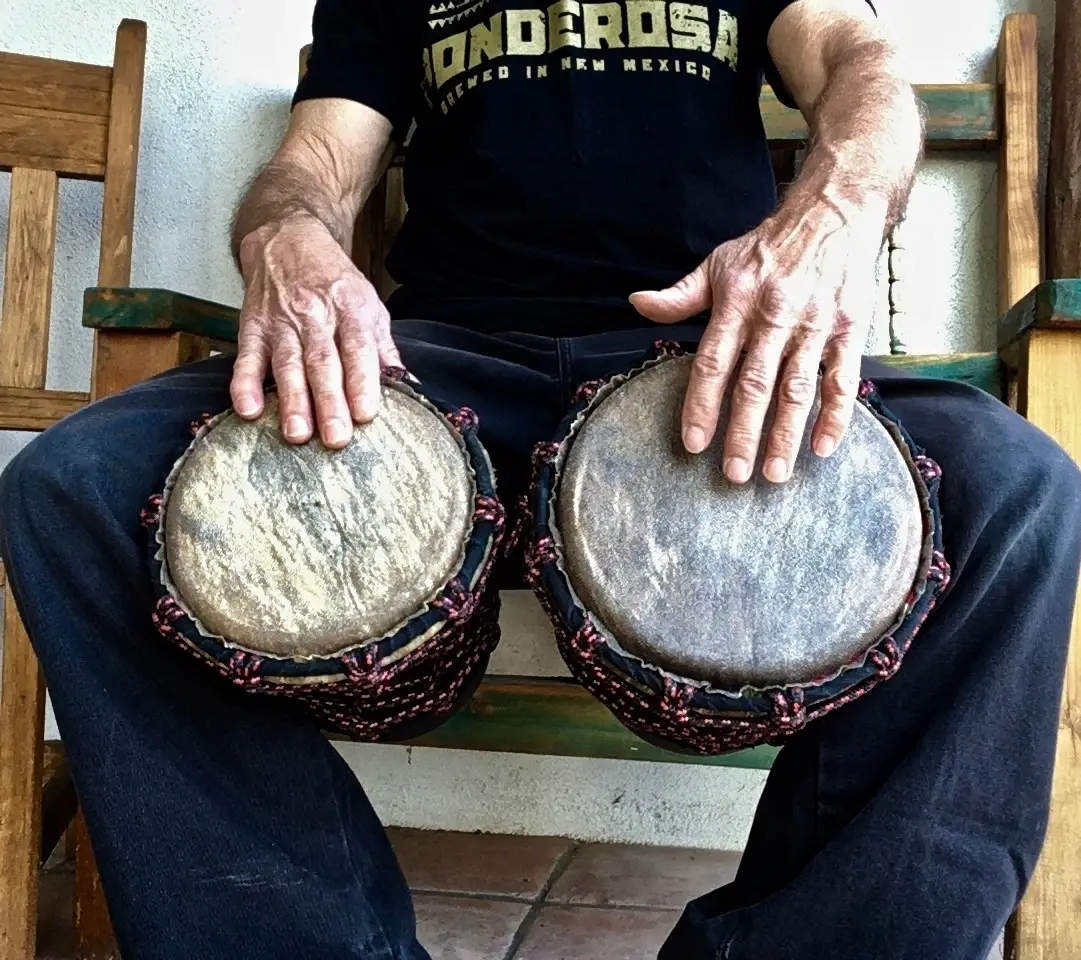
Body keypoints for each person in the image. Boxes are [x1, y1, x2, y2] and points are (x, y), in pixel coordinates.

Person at [1, 0, 1078, 957]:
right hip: (433, 366)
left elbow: (860, 61)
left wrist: (832, 211)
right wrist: (286, 234)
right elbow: (317, 163)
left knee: (1017, 491)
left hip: (700, 358)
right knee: (74, 484)